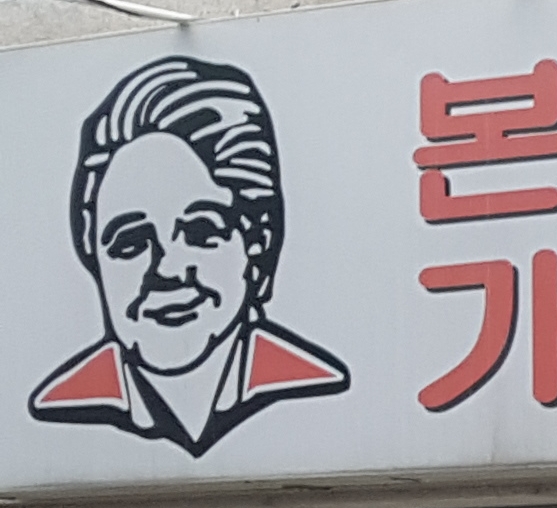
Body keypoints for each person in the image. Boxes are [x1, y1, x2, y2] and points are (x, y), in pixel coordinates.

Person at [28, 56, 349, 455]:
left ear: (257, 240)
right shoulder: (60, 412)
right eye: (130, 243)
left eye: (199, 233)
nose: (166, 268)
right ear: (94, 257)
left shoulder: (316, 391)